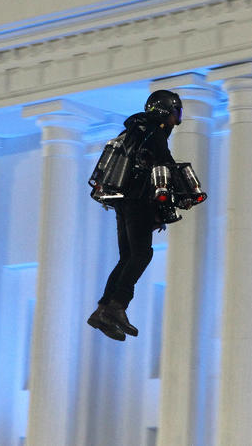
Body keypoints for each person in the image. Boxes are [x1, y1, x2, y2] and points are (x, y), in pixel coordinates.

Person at [87, 89, 184, 341]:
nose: (176, 120)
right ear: (165, 111)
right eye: (176, 113)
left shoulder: (132, 130)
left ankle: (103, 309)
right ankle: (117, 307)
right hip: (138, 202)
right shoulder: (155, 132)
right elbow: (165, 166)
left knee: (127, 256)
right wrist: (167, 204)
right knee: (142, 254)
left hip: (122, 203)